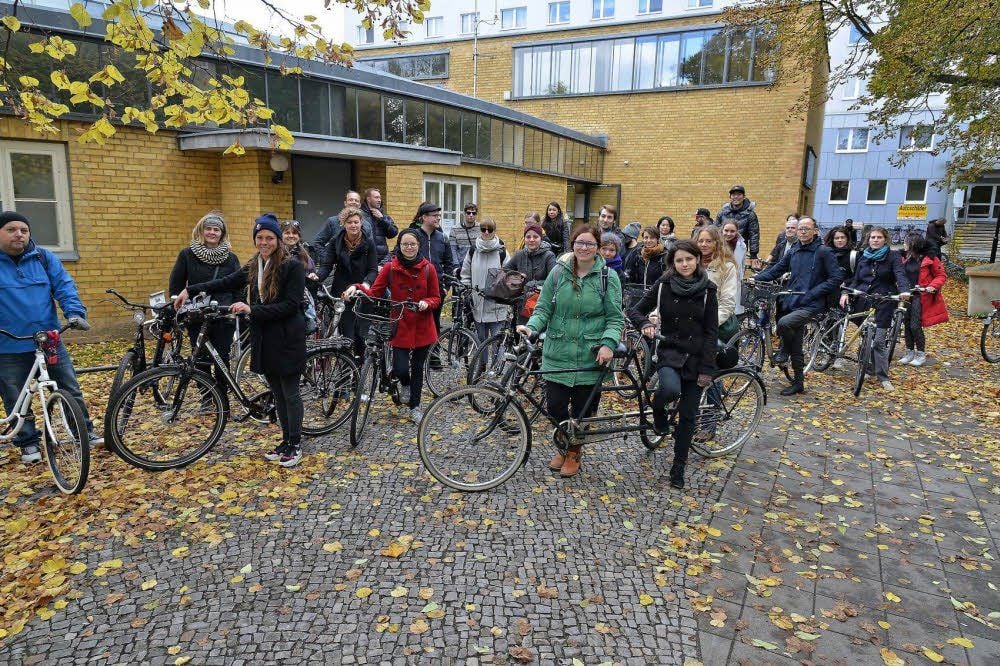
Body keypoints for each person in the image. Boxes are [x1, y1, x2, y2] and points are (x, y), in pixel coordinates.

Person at [174, 213, 307, 467]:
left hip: (287, 336)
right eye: (259, 238)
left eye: (269, 238)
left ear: (278, 240)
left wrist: (251, 310)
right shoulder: (255, 264)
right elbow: (225, 281)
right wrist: (189, 289)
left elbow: (291, 305)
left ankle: (296, 443)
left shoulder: (291, 266)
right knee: (277, 393)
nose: (264, 242)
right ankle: (285, 440)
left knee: (290, 393)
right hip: (265, 336)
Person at [516, 224, 624, 478]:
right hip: (558, 351)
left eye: (589, 244)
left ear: (597, 248)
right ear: (572, 245)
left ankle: (574, 450)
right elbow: (543, 308)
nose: (584, 248)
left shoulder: (608, 277)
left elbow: (615, 318)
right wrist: (531, 328)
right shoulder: (558, 273)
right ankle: (563, 444)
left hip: (590, 354)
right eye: (579, 243)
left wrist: (608, 344)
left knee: (582, 409)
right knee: (555, 406)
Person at [0, 211, 102, 463]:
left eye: (23, 230)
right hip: (8, 344)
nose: (19, 234)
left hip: (48, 341)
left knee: (69, 387)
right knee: (15, 396)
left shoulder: (44, 258)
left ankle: (83, 432)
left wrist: (75, 313)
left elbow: (64, 286)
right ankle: (27, 443)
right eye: (11, 229)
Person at [627, 240, 717, 489]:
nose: (685, 264)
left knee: (688, 416)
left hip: (697, 358)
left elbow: (711, 332)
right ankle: (657, 410)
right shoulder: (663, 285)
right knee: (668, 390)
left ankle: (679, 466)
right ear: (672, 263)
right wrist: (645, 324)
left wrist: (707, 369)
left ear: (697, 259)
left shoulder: (709, 290)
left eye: (689, 259)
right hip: (669, 351)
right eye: (679, 260)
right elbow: (635, 310)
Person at [348, 228, 440, 423]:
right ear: (399, 245)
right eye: (405, 244)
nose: (409, 247)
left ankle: (415, 406)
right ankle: (404, 385)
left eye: (412, 244)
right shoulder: (390, 267)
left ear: (418, 246)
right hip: (399, 324)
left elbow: (436, 297)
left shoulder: (428, 268)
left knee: (417, 367)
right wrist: (357, 288)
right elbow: (374, 292)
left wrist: (427, 303)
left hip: (423, 325)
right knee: (400, 368)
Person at [752, 216, 843, 395]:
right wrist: (756, 278)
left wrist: (814, 292)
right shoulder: (794, 250)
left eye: (806, 228)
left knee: (784, 324)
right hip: (793, 300)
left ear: (815, 231)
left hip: (812, 303)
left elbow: (836, 278)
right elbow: (777, 269)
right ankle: (798, 383)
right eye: (800, 228)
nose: (802, 231)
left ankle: (784, 350)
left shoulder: (823, 251)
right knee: (796, 342)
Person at [169, 211, 242, 411]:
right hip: (197, 314)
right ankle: (207, 397)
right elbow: (176, 284)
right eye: (208, 228)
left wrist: (237, 305)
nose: (212, 232)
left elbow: (238, 285)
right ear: (201, 231)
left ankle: (222, 397)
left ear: (222, 233)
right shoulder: (187, 254)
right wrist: (177, 305)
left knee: (221, 356)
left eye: (216, 229)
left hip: (222, 313)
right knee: (199, 357)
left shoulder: (231, 258)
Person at [840, 226, 910, 391]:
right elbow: (855, 278)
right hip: (863, 299)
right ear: (868, 239)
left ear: (885, 239)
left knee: (878, 341)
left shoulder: (893, 256)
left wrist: (904, 290)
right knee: (866, 336)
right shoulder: (863, 256)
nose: (876, 240)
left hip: (884, 300)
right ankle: (867, 365)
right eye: (873, 237)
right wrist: (846, 292)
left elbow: (900, 273)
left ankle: (883, 376)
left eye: (879, 237)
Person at [316, 207, 378, 359]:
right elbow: (326, 266)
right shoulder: (336, 242)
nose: (353, 225)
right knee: (347, 333)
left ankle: (360, 362)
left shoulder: (368, 243)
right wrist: (317, 278)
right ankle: (346, 367)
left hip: (363, 289)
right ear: (343, 224)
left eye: (356, 222)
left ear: (361, 223)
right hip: (342, 291)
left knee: (360, 333)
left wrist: (365, 285)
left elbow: (373, 270)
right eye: (349, 222)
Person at [406, 202, 455, 336]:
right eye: (434, 215)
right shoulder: (413, 236)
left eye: (439, 215)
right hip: (416, 287)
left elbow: (448, 263)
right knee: (416, 322)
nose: (438, 218)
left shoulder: (443, 238)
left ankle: (434, 354)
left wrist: (446, 286)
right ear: (424, 217)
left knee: (434, 322)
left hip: (437, 289)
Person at [899, 234, 947, 367]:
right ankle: (909, 353)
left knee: (915, 325)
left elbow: (941, 275)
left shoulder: (930, 259)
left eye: (905, 242)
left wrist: (932, 286)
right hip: (906, 294)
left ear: (913, 244)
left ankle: (920, 354)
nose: (903, 244)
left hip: (921, 295)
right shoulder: (903, 257)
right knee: (906, 324)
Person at [460, 216, 508, 343]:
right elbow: (465, 274)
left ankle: (497, 364)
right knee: (480, 342)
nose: (486, 232)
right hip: (478, 304)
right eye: (483, 229)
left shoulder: (502, 252)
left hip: (496, 305)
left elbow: (508, 276)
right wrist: (467, 290)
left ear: (495, 231)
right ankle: (481, 364)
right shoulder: (473, 250)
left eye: (490, 229)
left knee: (498, 343)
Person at [695, 226, 740, 343]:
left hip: (716, 323)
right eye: (700, 241)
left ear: (717, 243)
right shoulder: (690, 264)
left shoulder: (727, 267)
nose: (703, 244)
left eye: (708, 241)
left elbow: (727, 302)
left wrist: (709, 323)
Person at [504, 223, 557, 322]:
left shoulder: (549, 256)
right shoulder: (519, 254)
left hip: (542, 305)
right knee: (522, 334)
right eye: (528, 237)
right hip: (523, 305)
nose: (531, 240)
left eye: (535, 237)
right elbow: (505, 271)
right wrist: (518, 277)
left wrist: (533, 284)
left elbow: (553, 281)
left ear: (540, 238)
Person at [314, 189, 364, 263]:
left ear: (359, 205)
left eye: (356, 200)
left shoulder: (367, 224)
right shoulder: (332, 221)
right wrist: (327, 260)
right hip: (337, 269)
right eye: (351, 200)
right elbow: (318, 242)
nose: (353, 202)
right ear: (345, 203)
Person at [716, 185, 761, 260]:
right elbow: (715, 229)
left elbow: (754, 235)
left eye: (739, 194)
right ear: (730, 197)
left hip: (739, 249)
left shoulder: (750, 214)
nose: (736, 197)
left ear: (744, 197)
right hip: (722, 248)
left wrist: (753, 254)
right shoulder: (723, 212)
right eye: (733, 195)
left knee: (738, 270)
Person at [623, 227, 667, 301]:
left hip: (657, 297)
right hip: (637, 296)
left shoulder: (664, 255)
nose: (648, 240)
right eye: (646, 237)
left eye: (652, 238)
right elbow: (629, 274)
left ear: (657, 239)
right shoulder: (636, 253)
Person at [359, 188, 399, 265]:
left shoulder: (383, 216)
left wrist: (382, 219)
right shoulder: (360, 215)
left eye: (380, 197)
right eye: (376, 197)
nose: (379, 200)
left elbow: (393, 233)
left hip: (382, 260)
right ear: (368, 199)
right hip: (365, 259)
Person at [721, 219, 748, 316]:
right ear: (722, 230)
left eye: (732, 231)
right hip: (719, 280)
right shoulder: (716, 244)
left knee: (732, 311)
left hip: (734, 281)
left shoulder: (742, 246)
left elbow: (742, 264)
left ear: (737, 232)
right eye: (726, 230)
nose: (728, 234)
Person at [450, 202, 480, 269]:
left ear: (476, 215)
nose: (471, 215)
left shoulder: (481, 228)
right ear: (464, 214)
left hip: (477, 264)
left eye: (474, 213)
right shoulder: (454, 229)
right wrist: (456, 265)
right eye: (468, 213)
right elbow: (453, 249)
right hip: (461, 265)